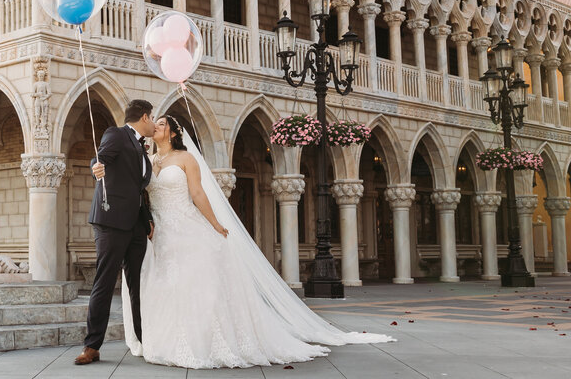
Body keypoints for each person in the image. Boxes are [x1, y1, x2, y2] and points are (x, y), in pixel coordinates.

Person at [94, 112, 393, 368]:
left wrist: (215, 224)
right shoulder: (147, 159)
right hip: (160, 232)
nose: (156, 127)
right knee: (162, 285)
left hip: (186, 226)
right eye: (154, 123)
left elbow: (198, 194)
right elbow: (135, 188)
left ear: (173, 132)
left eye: (161, 124)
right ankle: (161, 340)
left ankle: (201, 341)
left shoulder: (185, 159)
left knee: (192, 284)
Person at [74, 99, 155, 366]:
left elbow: (138, 188)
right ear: (145, 117)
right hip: (111, 221)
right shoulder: (117, 134)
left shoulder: (142, 150)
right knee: (105, 283)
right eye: (152, 118)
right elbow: (100, 158)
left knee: (137, 285)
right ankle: (92, 346)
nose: (154, 123)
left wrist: (148, 219)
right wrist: (95, 167)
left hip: (136, 226)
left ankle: (144, 340)